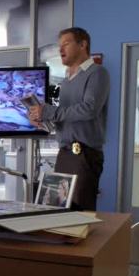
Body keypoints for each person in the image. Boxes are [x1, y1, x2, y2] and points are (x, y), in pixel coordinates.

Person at [28, 27, 110, 210]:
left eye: (66, 43)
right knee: (60, 210)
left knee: (80, 211)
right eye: (60, 45)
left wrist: (50, 112)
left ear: (82, 45)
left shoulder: (97, 73)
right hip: (64, 153)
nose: (61, 49)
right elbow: (66, 117)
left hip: (84, 154)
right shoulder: (66, 81)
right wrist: (44, 120)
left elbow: (89, 110)